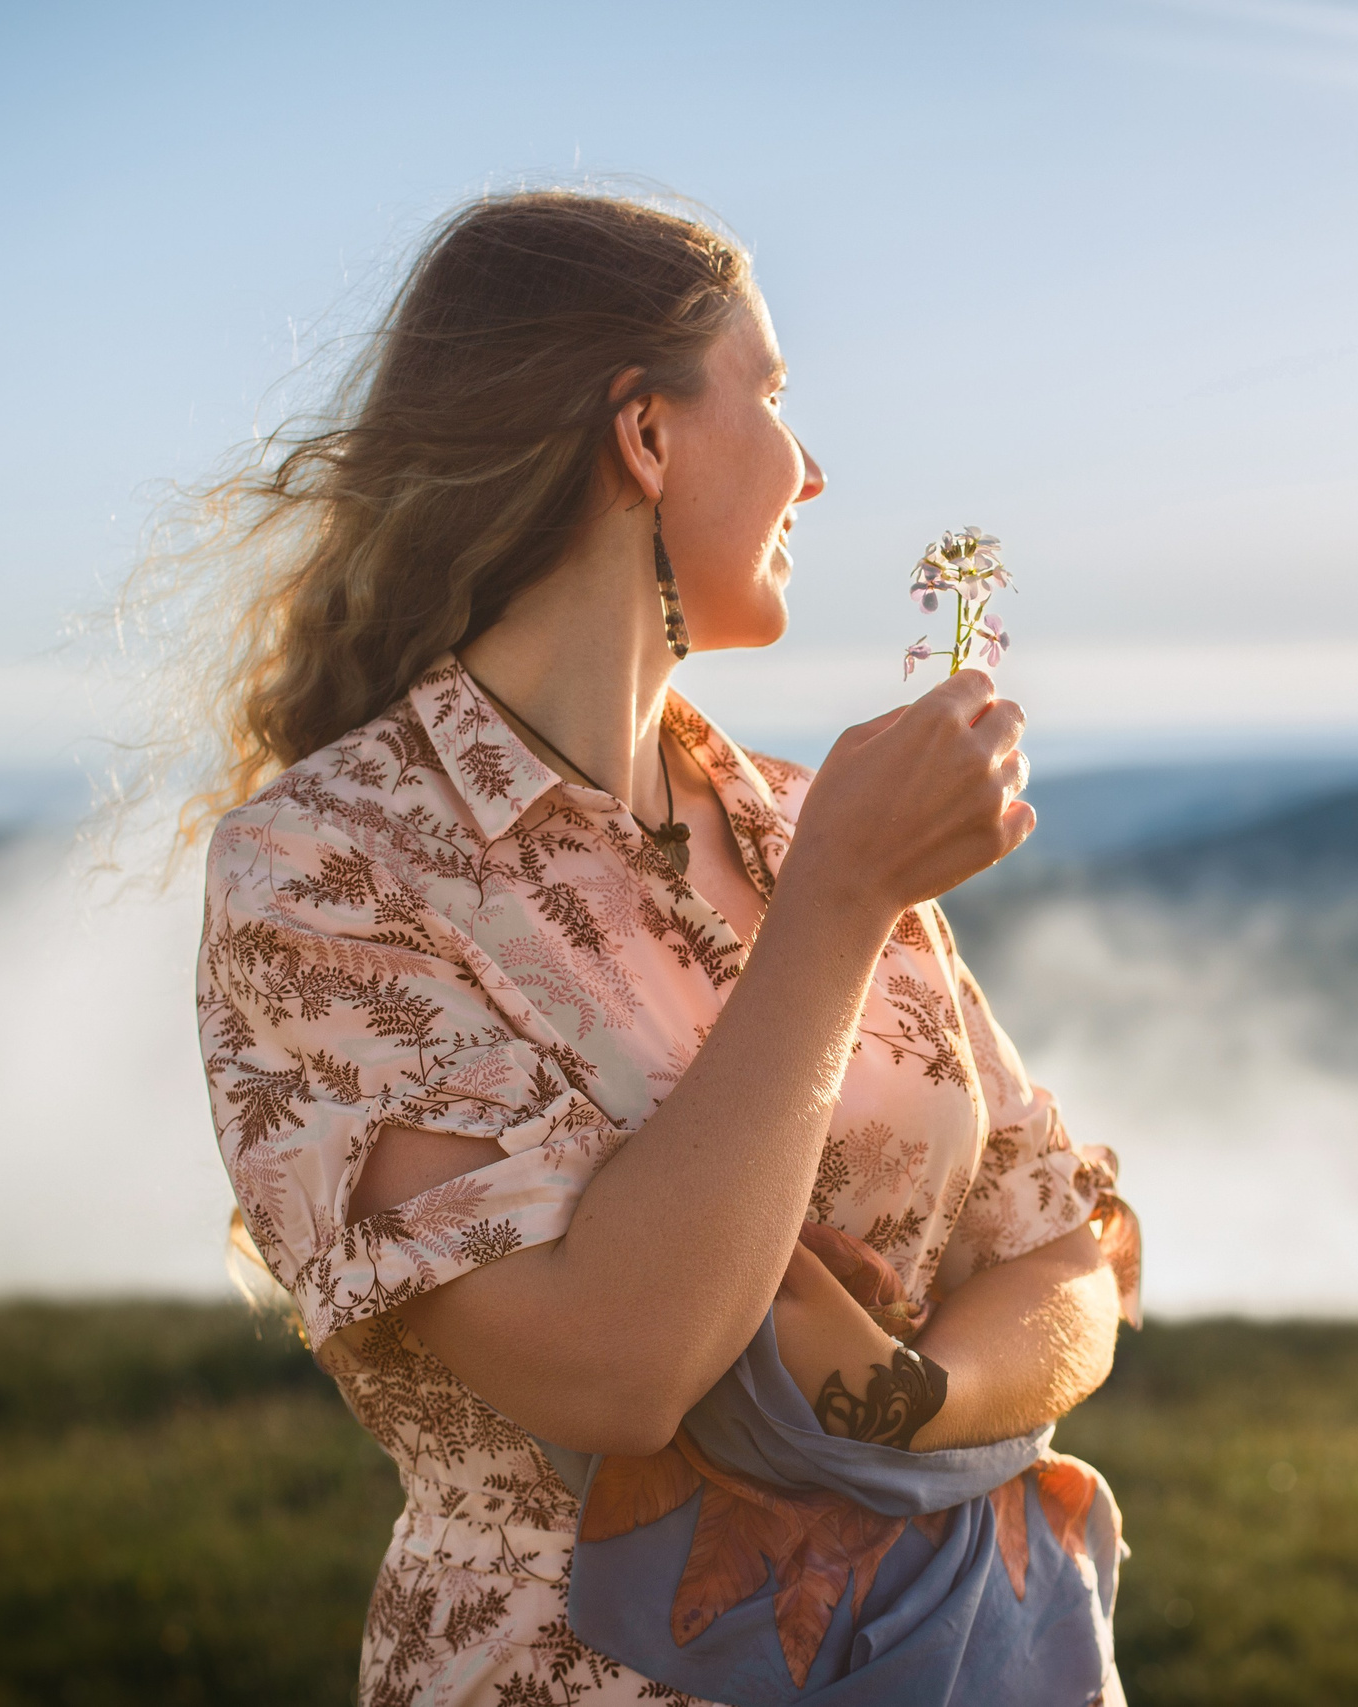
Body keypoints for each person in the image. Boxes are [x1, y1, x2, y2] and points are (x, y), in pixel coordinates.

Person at [186, 190, 1139, 1707]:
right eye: (767, 391)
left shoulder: (798, 818)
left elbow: (1065, 1255)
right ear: (643, 436)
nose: (812, 470)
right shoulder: (329, 868)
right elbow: (612, 1370)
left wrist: (900, 1397)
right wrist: (835, 909)